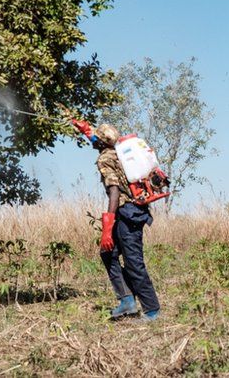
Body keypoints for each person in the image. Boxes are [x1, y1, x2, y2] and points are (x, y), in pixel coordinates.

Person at [85, 122, 161, 321]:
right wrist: (82, 128)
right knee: (108, 253)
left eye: (95, 139)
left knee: (133, 262)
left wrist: (107, 227)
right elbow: (95, 137)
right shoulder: (118, 152)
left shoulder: (104, 159)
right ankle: (126, 300)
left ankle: (152, 310)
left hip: (127, 213)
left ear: (101, 143)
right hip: (133, 210)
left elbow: (114, 192)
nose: (92, 140)